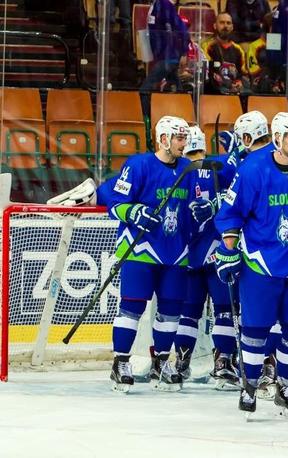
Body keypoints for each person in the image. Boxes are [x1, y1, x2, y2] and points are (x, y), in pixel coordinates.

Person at [213, 112, 288, 418]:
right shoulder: (253, 169)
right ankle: (250, 384)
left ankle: (286, 387)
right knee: (255, 329)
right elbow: (231, 213)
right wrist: (228, 250)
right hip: (260, 262)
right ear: (277, 137)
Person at [107, 116, 206, 393]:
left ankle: (161, 363)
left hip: (175, 253)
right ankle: (121, 362)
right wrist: (134, 212)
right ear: (163, 138)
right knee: (132, 308)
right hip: (140, 250)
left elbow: (195, 203)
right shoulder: (138, 165)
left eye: (185, 138)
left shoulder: (189, 168)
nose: (183, 143)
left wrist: (201, 210)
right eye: (178, 138)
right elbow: (114, 203)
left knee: (171, 312)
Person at [171, 126, 241, 390]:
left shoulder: (178, 172)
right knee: (224, 311)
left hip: (187, 254)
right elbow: (242, 188)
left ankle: (181, 362)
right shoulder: (221, 166)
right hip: (218, 252)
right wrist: (235, 151)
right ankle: (223, 363)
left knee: (188, 313)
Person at [140, 0, 189, 96]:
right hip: (165, 58)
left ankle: (144, 111)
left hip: (168, 58)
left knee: (144, 90)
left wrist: (183, 52)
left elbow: (182, 29)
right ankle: (186, 109)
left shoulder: (164, 4)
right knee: (178, 90)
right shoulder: (158, 4)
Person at [201, 12, 248, 95]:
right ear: (215, 26)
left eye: (228, 23)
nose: (225, 26)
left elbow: (243, 73)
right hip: (216, 90)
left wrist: (239, 82)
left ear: (232, 27)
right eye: (222, 22)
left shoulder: (238, 49)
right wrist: (228, 84)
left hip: (235, 90)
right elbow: (208, 73)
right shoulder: (207, 47)